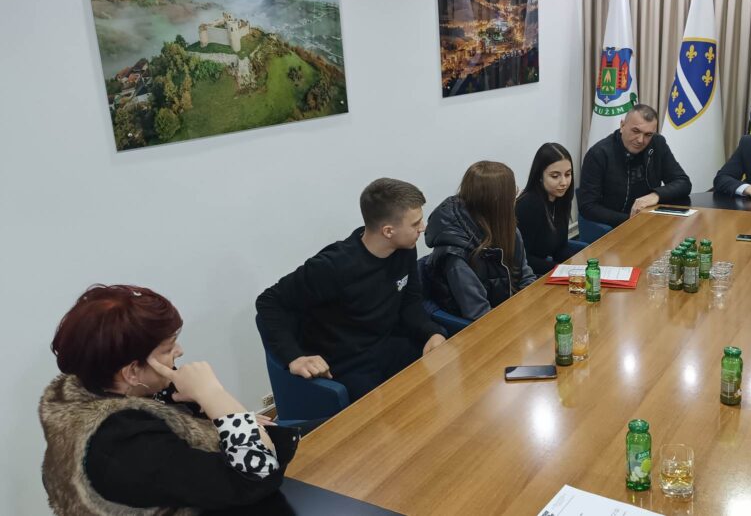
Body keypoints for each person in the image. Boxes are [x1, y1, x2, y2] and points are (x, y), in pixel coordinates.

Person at [40, 285, 298, 515]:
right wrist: (214, 395)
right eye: (168, 348)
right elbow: (259, 471)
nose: (179, 351)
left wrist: (229, 418)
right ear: (131, 372)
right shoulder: (126, 446)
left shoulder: (114, 389)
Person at [256, 178, 447, 402]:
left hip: (388, 344)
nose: (422, 227)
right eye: (415, 224)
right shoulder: (332, 266)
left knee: (443, 376)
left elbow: (410, 303)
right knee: (391, 414)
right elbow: (269, 301)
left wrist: (431, 332)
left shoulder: (404, 249)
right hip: (349, 362)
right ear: (388, 231)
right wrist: (294, 357)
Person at [424, 161, 537, 320]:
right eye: (514, 191)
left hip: (511, 310)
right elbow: (480, 314)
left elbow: (526, 276)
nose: (517, 195)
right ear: (497, 201)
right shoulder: (456, 254)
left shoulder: (508, 229)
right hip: (485, 325)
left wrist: (533, 306)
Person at [578, 104, 692, 227]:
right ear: (622, 126)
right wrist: (631, 220)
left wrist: (656, 195)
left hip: (649, 221)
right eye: (636, 131)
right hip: (616, 225)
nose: (640, 140)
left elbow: (683, 182)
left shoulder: (657, 143)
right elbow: (587, 206)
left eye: (648, 135)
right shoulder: (599, 153)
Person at [516, 143, 577, 274]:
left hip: (547, 269)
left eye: (568, 174)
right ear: (539, 176)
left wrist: (578, 265)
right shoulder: (529, 205)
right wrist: (560, 269)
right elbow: (522, 259)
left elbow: (560, 247)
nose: (564, 182)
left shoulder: (561, 199)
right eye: (555, 176)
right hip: (528, 275)